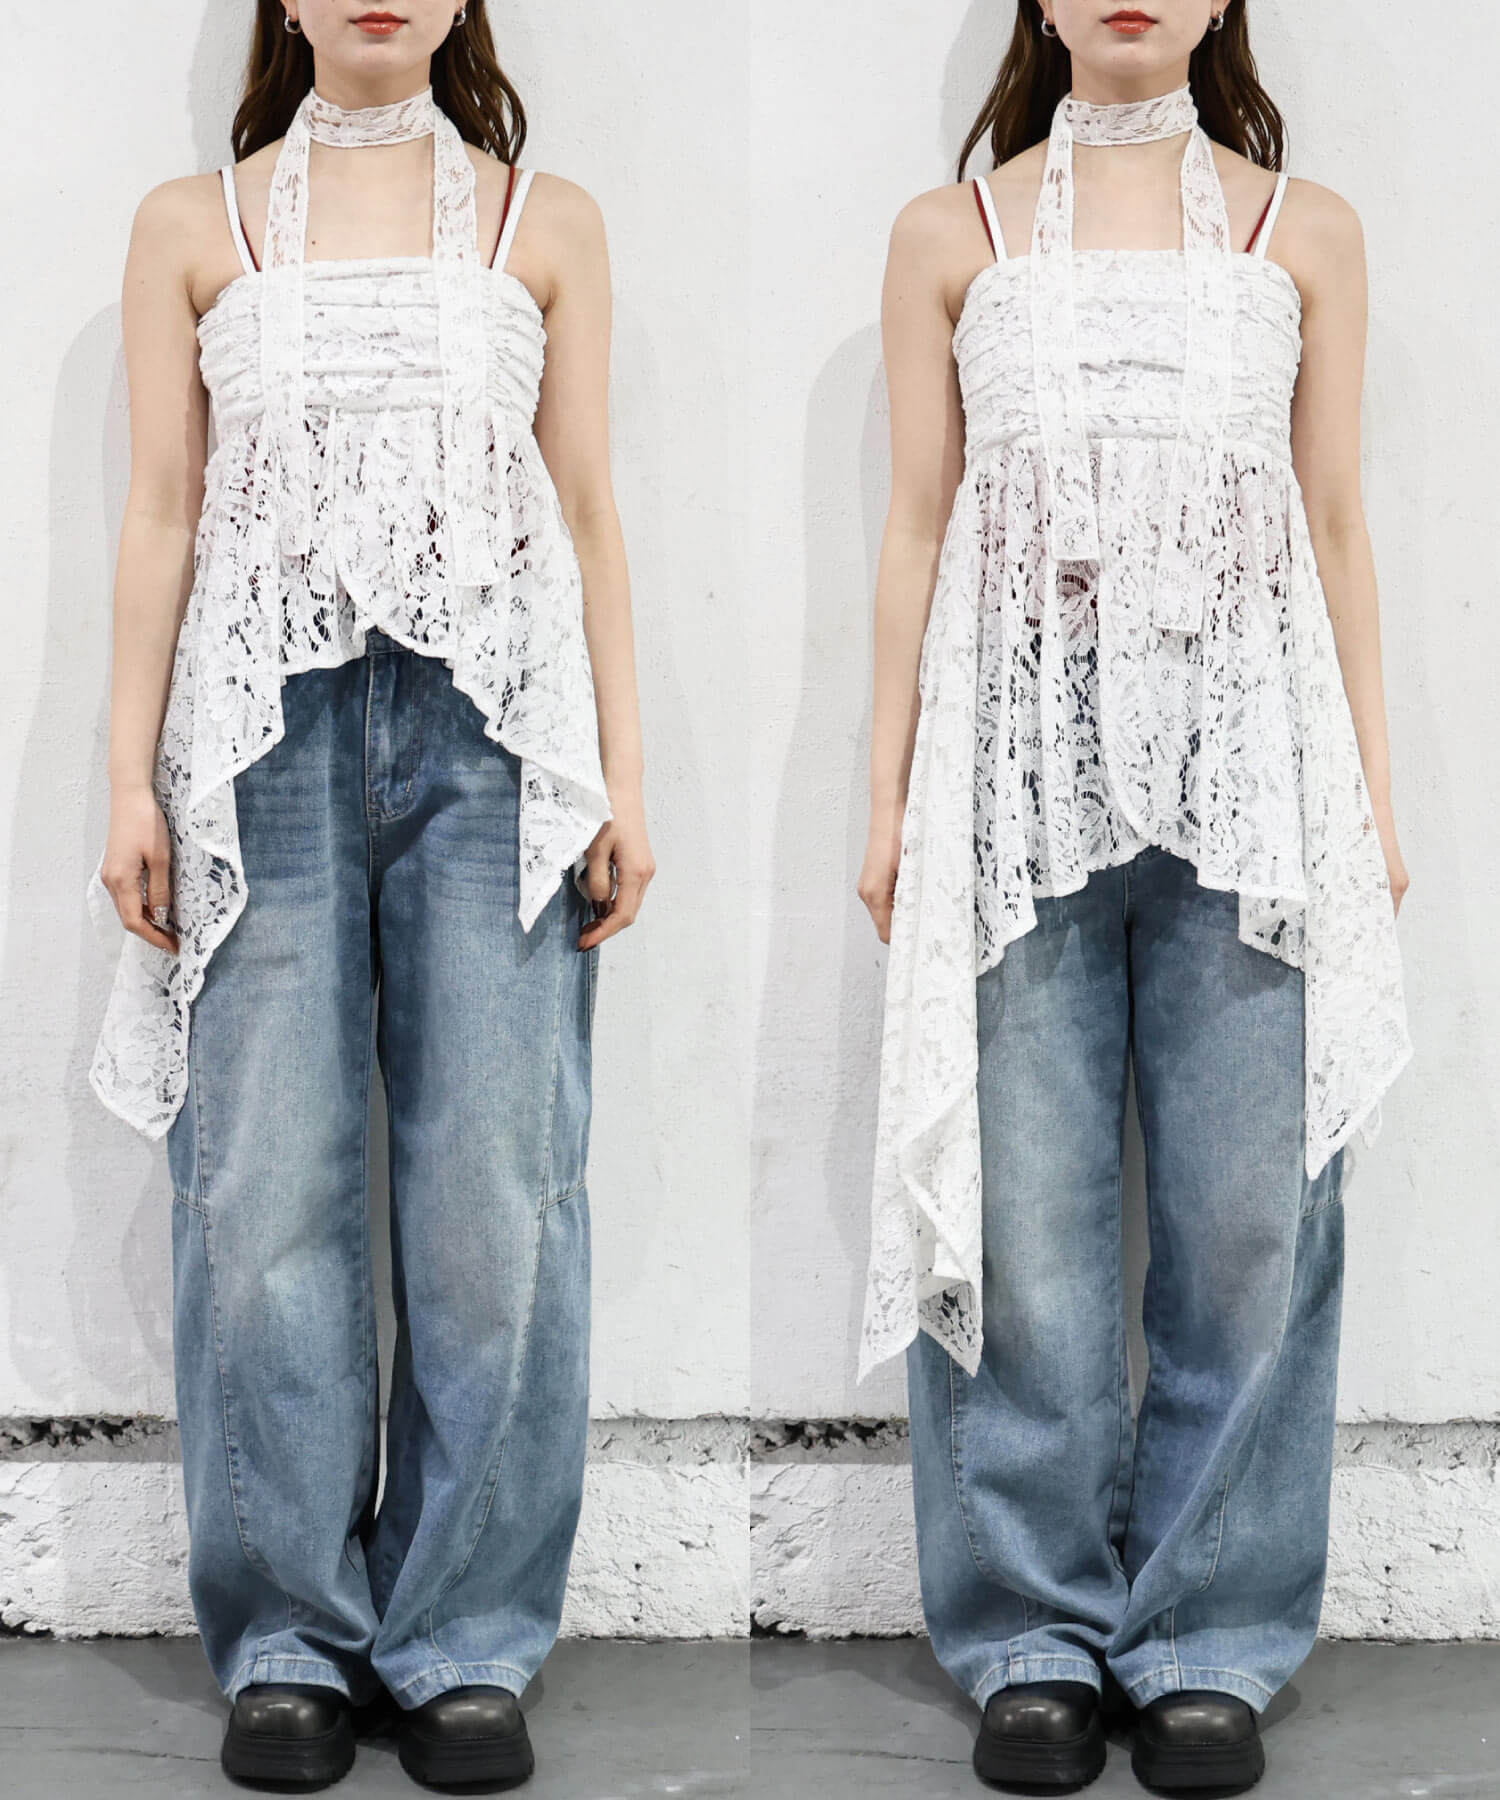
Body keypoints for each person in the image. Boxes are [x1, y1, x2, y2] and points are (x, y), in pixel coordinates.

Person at [86, 1, 653, 1789]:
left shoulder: (545, 223)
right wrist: (127, 778)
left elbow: (587, 508)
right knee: (261, 1192)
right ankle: (290, 1640)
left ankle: (466, 1636)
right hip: (260, 738)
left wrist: (623, 777)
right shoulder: (194, 225)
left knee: (498, 1197)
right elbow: (162, 513)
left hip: (497, 739)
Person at [857, 1, 1411, 1792]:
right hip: (1012, 773)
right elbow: (918, 524)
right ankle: (1031, 1630)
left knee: (1250, 1223)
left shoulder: (1303, 231)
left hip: (1256, 776)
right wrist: (887, 786)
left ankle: (1208, 1639)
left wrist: (1371, 798)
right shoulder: (950, 237)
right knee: (1024, 1220)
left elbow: (1337, 522)